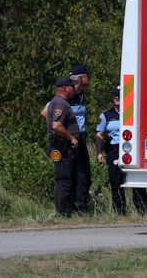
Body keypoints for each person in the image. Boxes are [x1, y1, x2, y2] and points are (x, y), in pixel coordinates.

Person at [41, 64, 92, 215]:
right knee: (70, 176)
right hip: (68, 140)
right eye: (87, 76)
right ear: (81, 78)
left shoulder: (81, 95)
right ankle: (75, 208)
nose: (89, 79)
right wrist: (60, 130)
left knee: (84, 176)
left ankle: (79, 207)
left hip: (80, 139)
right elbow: (45, 112)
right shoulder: (68, 96)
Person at [95, 85, 147, 215]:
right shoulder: (106, 115)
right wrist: (99, 153)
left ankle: (143, 212)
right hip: (115, 149)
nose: (117, 97)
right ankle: (120, 212)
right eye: (115, 95)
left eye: (120, 95)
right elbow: (99, 135)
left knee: (136, 180)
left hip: (132, 148)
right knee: (116, 181)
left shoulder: (132, 112)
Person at [47, 76, 80, 217]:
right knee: (64, 180)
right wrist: (71, 137)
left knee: (65, 178)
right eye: (72, 86)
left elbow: (46, 115)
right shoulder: (61, 104)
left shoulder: (55, 102)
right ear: (66, 88)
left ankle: (65, 211)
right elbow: (56, 125)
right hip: (63, 146)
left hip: (60, 144)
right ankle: (62, 213)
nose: (74, 89)